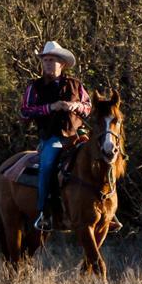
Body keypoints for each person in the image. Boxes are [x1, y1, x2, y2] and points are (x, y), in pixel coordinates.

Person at [19, 41, 91, 232]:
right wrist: (50, 108)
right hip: (52, 137)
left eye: (52, 60)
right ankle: (44, 212)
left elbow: (89, 107)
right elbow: (24, 112)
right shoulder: (34, 87)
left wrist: (76, 107)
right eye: (45, 60)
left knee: (103, 157)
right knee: (48, 164)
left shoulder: (76, 85)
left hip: (77, 136)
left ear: (62, 64)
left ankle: (109, 210)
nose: (48, 64)